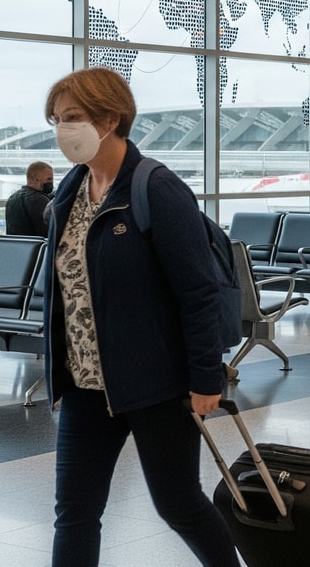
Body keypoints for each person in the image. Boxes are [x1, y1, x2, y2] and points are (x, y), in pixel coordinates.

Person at [41, 67, 237, 567]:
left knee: (178, 505)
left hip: (156, 385)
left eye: (73, 117)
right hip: (86, 385)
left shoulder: (157, 189)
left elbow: (198, 292)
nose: (63, 130)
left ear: (111, 118)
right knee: (75, 512)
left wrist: (205, 376)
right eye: (56, 120)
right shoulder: (69, 193)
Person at [6, 160, 55, 237]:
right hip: (38, 247)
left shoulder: (12, 198)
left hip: (17, 247)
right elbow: (50, 232)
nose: (51, 182)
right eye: (49, 179)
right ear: (36, 179)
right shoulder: (40, 200)